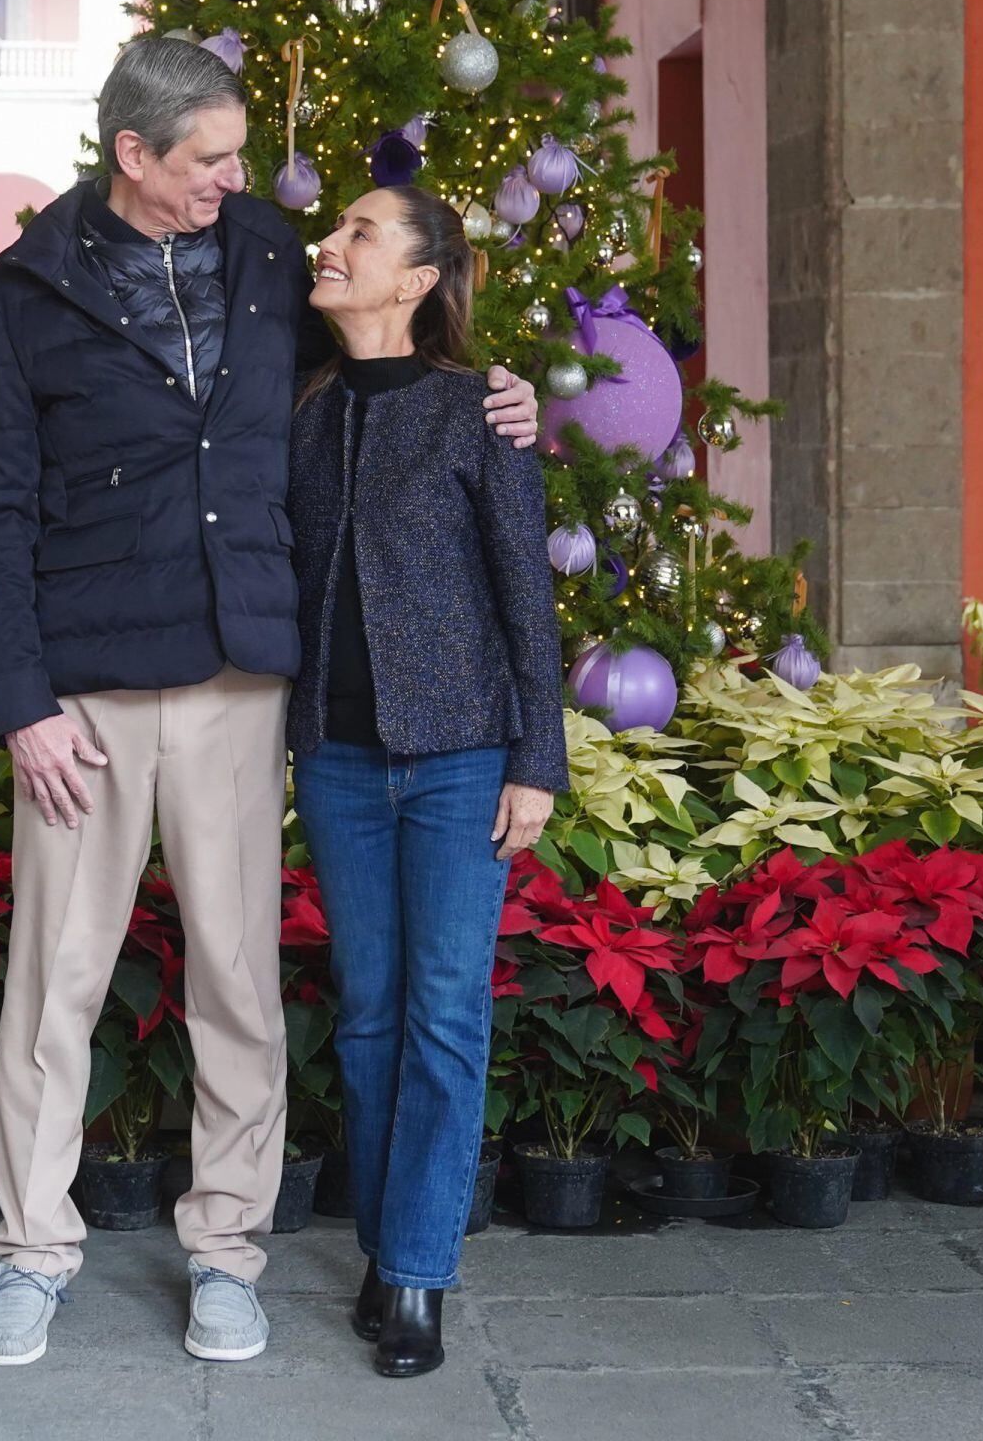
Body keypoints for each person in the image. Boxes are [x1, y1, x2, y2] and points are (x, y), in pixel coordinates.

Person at [0, 36, 538, 1368]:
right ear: (134, 157)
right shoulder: (21, 294)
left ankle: (226, 1250)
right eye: (208, 158)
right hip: (81, 695)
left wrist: (492, 393)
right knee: (55, 984)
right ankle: (31, 1255)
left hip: (235, 678)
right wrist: (23, 705)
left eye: (233, 156)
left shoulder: (274, 257)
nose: (236, 178)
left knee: (235, 983)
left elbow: (386, 373)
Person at [286, 185, 569, 1380]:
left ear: (414, 279)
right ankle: (393, 1237)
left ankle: (414, 1273)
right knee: (366, 1016)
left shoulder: (475, 413)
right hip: (339, 759)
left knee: (445, 1018)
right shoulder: (296, 407)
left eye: (358, 231)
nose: (330, 242)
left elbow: (525, 590)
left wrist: (536, 761)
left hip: (459, 757)